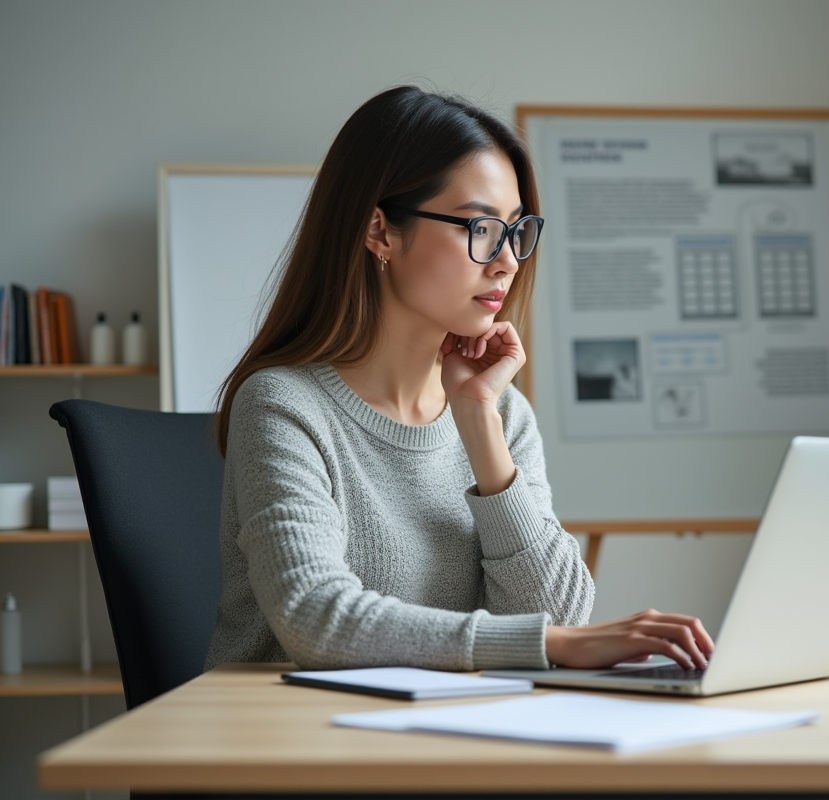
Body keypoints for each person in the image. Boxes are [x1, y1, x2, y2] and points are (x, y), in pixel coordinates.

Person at [204, 86, 714, 674]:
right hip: (294, 742)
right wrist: (548, 644)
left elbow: (557, 614)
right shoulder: (283, 405)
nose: (507, 262)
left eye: (517, 232)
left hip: (443, 737)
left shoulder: (502, 412)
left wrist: (477, 421)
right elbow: (316, 619)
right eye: (479, 228)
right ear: (380, 232)